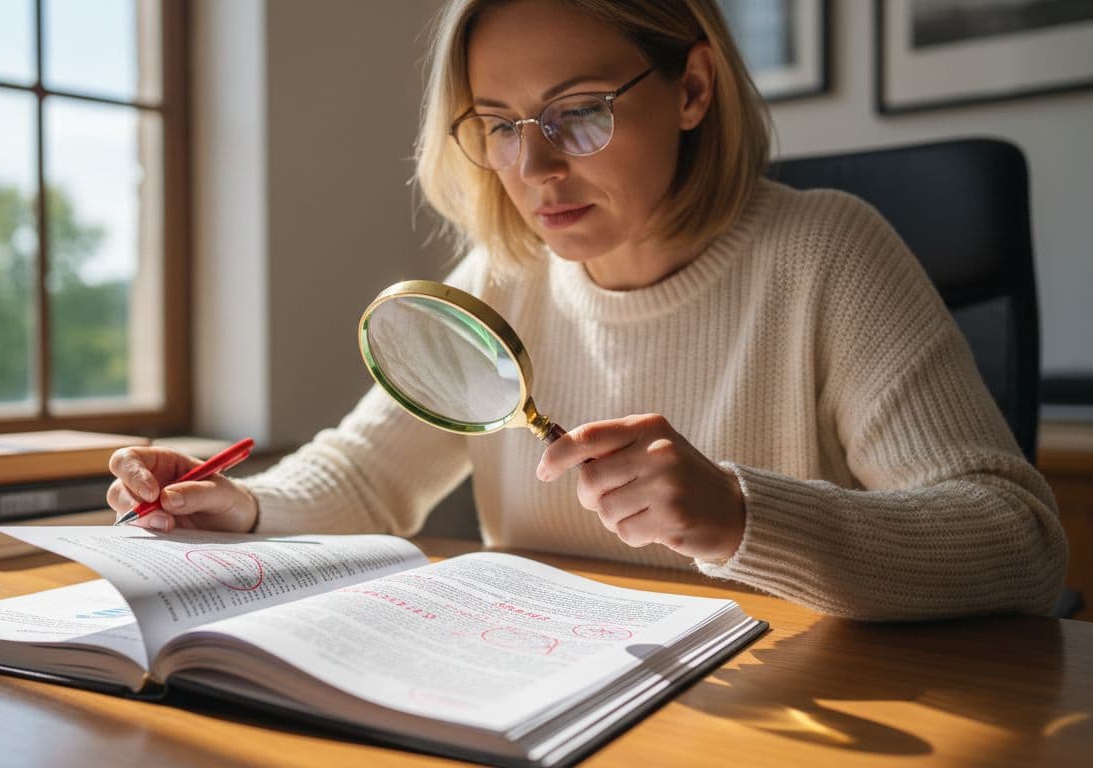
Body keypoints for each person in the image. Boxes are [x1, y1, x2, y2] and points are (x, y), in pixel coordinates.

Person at [107, 0, 1067, 620]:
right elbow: (367, 477)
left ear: (693, 89)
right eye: (500, 126)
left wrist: (740, 516)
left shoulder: (827, 253)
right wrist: (243, 505)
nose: (535, 169)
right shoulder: (505, 275)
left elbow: (1018, 542)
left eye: (581, 112)